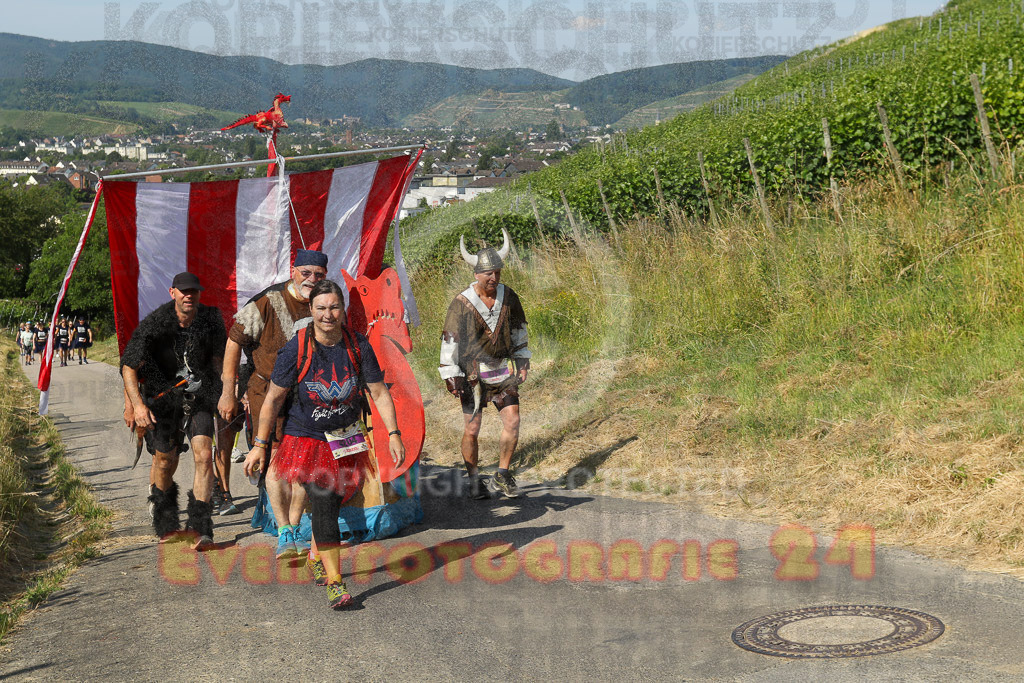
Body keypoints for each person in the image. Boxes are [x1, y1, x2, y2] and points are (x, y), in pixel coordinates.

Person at [244, 279, 404, 609]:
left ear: (343, 310)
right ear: (311, 311)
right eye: (320, 308)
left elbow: (378, 392)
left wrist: (393, 434)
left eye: (333, 307)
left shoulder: (357, 345)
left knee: (332, 502)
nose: (327, 315)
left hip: (346, 438)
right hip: (306, 440)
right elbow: (273, 399)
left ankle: (317, 555)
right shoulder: (297, 348)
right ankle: (335, 581)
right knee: (324, 496)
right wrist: (260, 445)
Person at [219, 249, 328, 559]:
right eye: (306, 273)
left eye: (319, 275)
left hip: (309, 395)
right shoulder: (268, 302)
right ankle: (283, 532)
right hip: (268, 393)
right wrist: (229, 391)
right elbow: (234, 339)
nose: (312, 279)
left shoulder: (325, 303)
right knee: (278, 459)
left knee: (303, 463)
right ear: (293, 271)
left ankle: (294, 529)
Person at [121, 272, 226, 550]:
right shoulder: (156, 323)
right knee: (165, 461)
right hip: (162, 400)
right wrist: (136, 405)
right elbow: (129, 366)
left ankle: (200, 527)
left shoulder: (211, 318)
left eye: (194, 291)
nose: (189, 295)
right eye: (183, 291)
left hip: (200, 397)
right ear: (172, 293)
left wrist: (227, 392)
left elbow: (219, 359)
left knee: (204, 456)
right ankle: (166, 522)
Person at [440, 228, 530, 499]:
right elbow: (450, 339)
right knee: (473, 428)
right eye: (488, 273)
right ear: (476, 274)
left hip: (502, 368)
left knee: (512, 421)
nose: (494, 277)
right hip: (472, 373)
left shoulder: (508, 296)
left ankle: (502, 474)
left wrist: (522, 360)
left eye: (498, 272)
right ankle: (473, 478)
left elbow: (518, 329)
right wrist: (450, 372)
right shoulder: (462, 303)